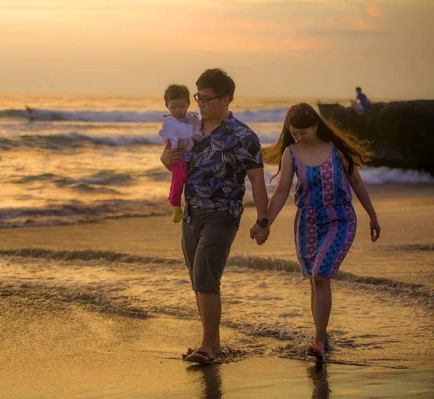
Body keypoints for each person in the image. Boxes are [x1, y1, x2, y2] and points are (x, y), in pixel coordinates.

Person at [160, 68, 269, 364]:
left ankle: (209, 346)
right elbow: (173, 159)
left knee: (207, 277)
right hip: (191, 214)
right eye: (198, 98)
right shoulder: (190, 128)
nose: (200, 104)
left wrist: (263, 219)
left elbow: (257, 181)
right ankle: (210, 343)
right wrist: (165, 158)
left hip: (223, 215)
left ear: (226, 99)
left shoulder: (243, 136)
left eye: (206, 99)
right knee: (198, 280)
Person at [261, 103, 381, 360]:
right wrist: (265, 223)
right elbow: (281, 191)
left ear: (315, 126)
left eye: (303, 132)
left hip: (339, 218)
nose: (298, 137)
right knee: (315, 280)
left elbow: (356, 181)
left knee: (320, 274)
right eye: (294, 133)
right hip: (308, 222)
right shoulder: (291, 153)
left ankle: (318, 341)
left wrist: (372, 214)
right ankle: (321, 335)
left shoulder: (336, 151)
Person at [158, 84, 202, 223]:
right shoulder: (169, 122)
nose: (178, 110)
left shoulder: (192, 118)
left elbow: (198, 132)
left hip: (190, 154)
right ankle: (175, 204)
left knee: (188, 176)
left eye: (181, 107)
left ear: (188, 104)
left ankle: (178, 200)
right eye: (173, 107)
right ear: (167, 106)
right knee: (179, 177)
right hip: (177, 154)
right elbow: (169, 138)